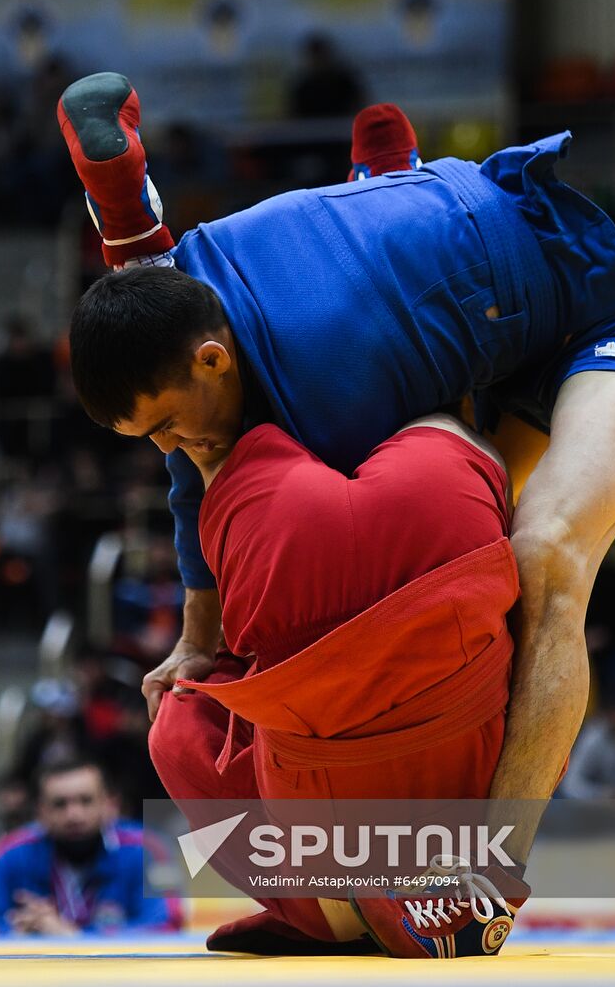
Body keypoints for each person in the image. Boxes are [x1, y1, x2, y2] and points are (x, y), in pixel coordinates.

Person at [58, 73, 615, 875]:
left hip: (610, 313)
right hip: (473, 290)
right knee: (450, 532)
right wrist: (196, 638)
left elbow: (282, 513)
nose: (166, 449)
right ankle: (341, 188)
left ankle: (490, 870)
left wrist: (240, 662)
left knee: (538, 562)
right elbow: (197, 474)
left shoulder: (330, 377)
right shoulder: (187, 285)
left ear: (216, 358)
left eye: (162, 426)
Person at [149, 410, 527, 958]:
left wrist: (200, 646)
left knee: (176, 722)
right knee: (550, 635)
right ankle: (482, 882)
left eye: (164, 427)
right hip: (455, 490)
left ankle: (337, 915)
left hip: (328, 861)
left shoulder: (226, 459)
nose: (165, 440)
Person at [0, 758, 182, 935]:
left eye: (86, 800)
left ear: (110, 803)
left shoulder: (148, 848)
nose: (74, 815)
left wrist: (74, 938)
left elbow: (167, 924)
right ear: (40, 810)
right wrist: (16, 934)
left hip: (123, 970)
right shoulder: (9, 853)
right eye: (60, 804)